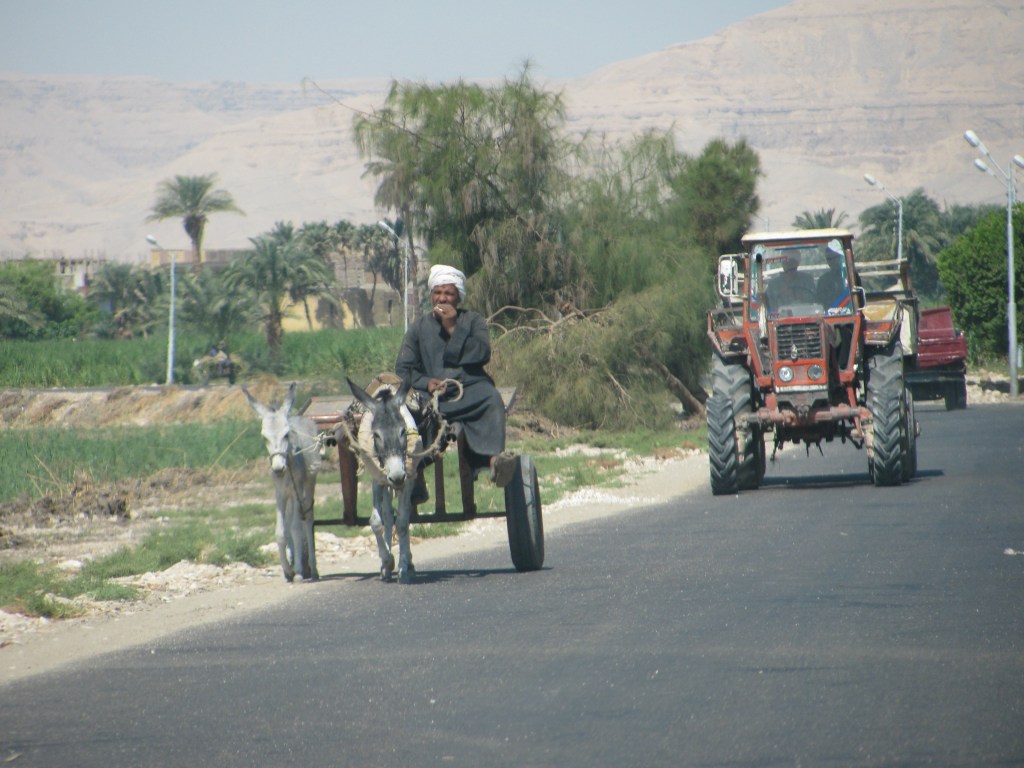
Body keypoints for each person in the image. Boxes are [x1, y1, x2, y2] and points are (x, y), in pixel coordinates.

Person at [395, 264, 516, 487]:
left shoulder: (473, 321)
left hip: (469, 389)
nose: (443, 298)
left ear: (458, 297)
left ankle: (494, 462)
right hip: (433, 397)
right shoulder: (418, 328)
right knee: (409, 417)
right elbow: (404, 369)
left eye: (449, 293)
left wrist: (452, 327)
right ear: (431, 295)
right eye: (438, 293)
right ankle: (414, 479)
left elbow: (482, 353)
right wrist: (426, 383)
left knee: (491, 398)